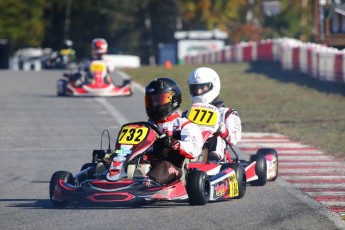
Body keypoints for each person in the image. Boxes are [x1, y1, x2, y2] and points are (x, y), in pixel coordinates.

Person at [144, 78, 204, 185]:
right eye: (151, 100)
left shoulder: (184, 124)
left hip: (173, 166)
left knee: (164, 166)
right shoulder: (147, 125)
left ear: (173, 100)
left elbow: (194, 149)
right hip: (148, 163)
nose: (154, 104)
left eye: (159, 100)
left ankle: (148, 182)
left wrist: (175, 143)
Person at [186, 67, 242, 162]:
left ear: (214, 86)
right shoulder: (188, 114)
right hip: (192, 148)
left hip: (218, 158)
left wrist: (223, 130)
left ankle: (213, 160)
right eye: (195, 88)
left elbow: (234, 138)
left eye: (202, 88)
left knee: (217, 138)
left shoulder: (227, 113)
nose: (198, 92)